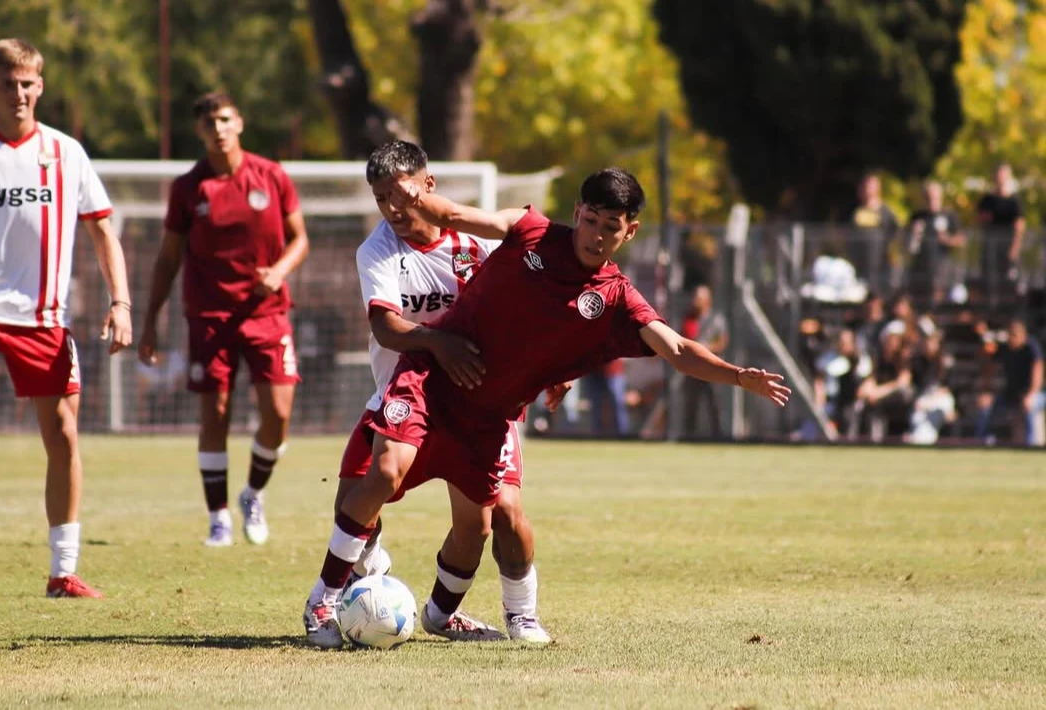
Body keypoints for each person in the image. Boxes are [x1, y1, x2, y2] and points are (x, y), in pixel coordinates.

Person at [302, 167, 790, 649]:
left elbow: (678, 350)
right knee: (384, 473)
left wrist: (737, 375)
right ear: (577, 212)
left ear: (629, 231)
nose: (596, 235)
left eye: (610, 227)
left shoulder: (617, 297)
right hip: (431, 379)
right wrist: (410, 195)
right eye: (591, 220)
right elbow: (451, 212)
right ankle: (322, 599)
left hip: (489, 416)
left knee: (479, 526)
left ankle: (442, 615)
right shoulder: (530, 230)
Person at [324, 140, 560, 643]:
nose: (392, 208)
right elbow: (387, 328)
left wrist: (551, 367)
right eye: (380, 198)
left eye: (401, 194)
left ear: (428, 186)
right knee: (354, 500)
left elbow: (530, 306)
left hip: (482, 400)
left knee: (501, 514)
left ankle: (502, 613)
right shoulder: (378, 249)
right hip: (405, 395)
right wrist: (440, 344)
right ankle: (361, 577)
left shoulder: (481, 242)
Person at [0, 39, 133, 597]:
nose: (19, 93)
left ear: (41, 86)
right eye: (9, 82)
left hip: (42, 318)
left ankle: (63, 572)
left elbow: (102, 230)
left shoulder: (67, 153)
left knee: (63, 435)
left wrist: (120, 303)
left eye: (29, 83)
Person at [138, 92, 309, 547]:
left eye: (225, 119)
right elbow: (168, 258)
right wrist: (150, 319)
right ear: (199, 130)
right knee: (214, 415)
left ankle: (252, 494)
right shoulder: (188, 188)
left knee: (278, 415)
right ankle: (218, 517)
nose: (218, 128)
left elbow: (300, 240)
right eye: (209, 121)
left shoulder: (271, 175)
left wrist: (279, 272)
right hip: (209, 317)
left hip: (267, 314)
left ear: (240, 123)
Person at [975, 318, 1043, 446]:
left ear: (1023, 335)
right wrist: (986, 391)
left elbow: (1038, 373)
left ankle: (1031, 445)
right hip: (1011, 394)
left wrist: (1031, 395)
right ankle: (983, 442)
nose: (1012, 338)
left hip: (1035, 394)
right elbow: (990, 367)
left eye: (1015, 335)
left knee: (1030, 406)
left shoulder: (1031, 348)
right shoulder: (1005, 348)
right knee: (986, 405)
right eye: (1010, 334)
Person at [907, 181, 964, 308]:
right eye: (928, 196)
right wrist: (913, 233)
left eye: (933, 196)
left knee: (937, 294)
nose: (931, 199)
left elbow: (961, 240)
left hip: (941, 265)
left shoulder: (949, 216)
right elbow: (907, 243)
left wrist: (947, 239)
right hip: (920, 265)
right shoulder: (918, 216)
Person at [681, 284, 728, 437]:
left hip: (712, 367)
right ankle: (689, 436)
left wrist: (704, 348)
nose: (695, 301)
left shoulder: (716, 319)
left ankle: (719, 436)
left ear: (707, 301)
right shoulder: (689, 319)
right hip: (693, 368)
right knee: (691, 404)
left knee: (715, 404)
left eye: (699, 298)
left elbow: (721, 342)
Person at [977, 163, 1026, 305]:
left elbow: (1019, 226)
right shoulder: (987, 200)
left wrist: (1014, 249)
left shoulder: (1014, 201)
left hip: (1007, 248)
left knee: (1009, 281)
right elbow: (981, 220)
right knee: (990, 281)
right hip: (991, 248)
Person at [850, 172, 900, 295]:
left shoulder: (886, 211)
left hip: (880, 266)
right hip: (861, 266)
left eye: (871, 186)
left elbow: (896, 234)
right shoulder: (857, 212)